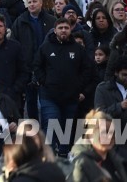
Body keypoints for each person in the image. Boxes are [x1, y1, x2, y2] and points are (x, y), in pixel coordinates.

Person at [36, 17, 91, 156]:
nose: (63, 30)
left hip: (70, 96)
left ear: (70, 30)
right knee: (52, 123)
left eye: (66, 28)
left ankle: (63, 153)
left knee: (67, 126)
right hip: (49, 95)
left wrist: (79, 86)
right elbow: (37, 66)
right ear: (55, 30)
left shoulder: (78, 49)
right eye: (60, 28)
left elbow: (87, 70)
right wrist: (45, 81)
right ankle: (48, 155)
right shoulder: (46, 47)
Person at [68, 109, 127, 182]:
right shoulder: (79, 162)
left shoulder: (113, 158)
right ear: (90, 135)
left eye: (112, 132)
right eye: (103, 132)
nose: (109, 137)